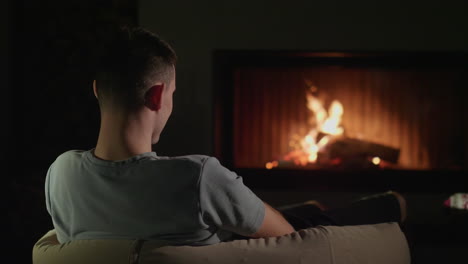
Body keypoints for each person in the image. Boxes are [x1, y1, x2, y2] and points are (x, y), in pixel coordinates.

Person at [44, 26, 406, 246]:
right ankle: (392, 205)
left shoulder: (60, 175)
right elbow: (286, 236)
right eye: (172, 95)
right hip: (257, 237)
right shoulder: (196, 177)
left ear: (96, 90)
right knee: (327, 218)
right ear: (156, 96)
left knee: (307, 211)